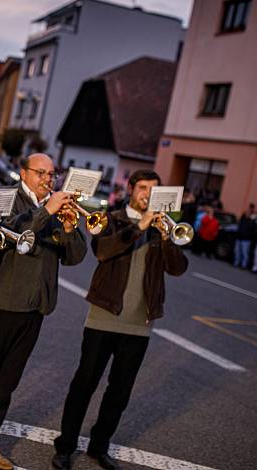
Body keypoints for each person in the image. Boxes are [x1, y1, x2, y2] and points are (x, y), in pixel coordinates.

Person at [0, 153, 87, 470]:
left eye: (52, 174)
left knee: (6, 383)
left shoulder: (56, 206)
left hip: (35, 307)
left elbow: (75, 257)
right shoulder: (6, 198)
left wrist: (68, 227)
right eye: (41, 173)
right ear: (24, 173)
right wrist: (46, 212)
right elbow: (9, 234)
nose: (47, 179)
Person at [52, 170, 188, 470]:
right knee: (84, 384)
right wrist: (140, 226)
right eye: (142, 188)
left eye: (153, 190)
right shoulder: (109, 218)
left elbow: (177, 269)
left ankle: (99, 447)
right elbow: (102, 251)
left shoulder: (161, 227)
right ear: (130, 189)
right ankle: (65, 447)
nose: (147, 195)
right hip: (103, 317)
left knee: (120, 391)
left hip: (140, 324)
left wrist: (166, 239)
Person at [234, 203, 256, 269]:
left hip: (246, 239)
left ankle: (244, 265)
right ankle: (236, 263)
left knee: (245, 253)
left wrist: (248, 235)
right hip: (239, 238)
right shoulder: (242, 220)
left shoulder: (252, 222)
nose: (247, 214)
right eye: (246, 213)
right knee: (237, 251)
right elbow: (239, 227)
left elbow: (253, 231)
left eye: (248, 213)